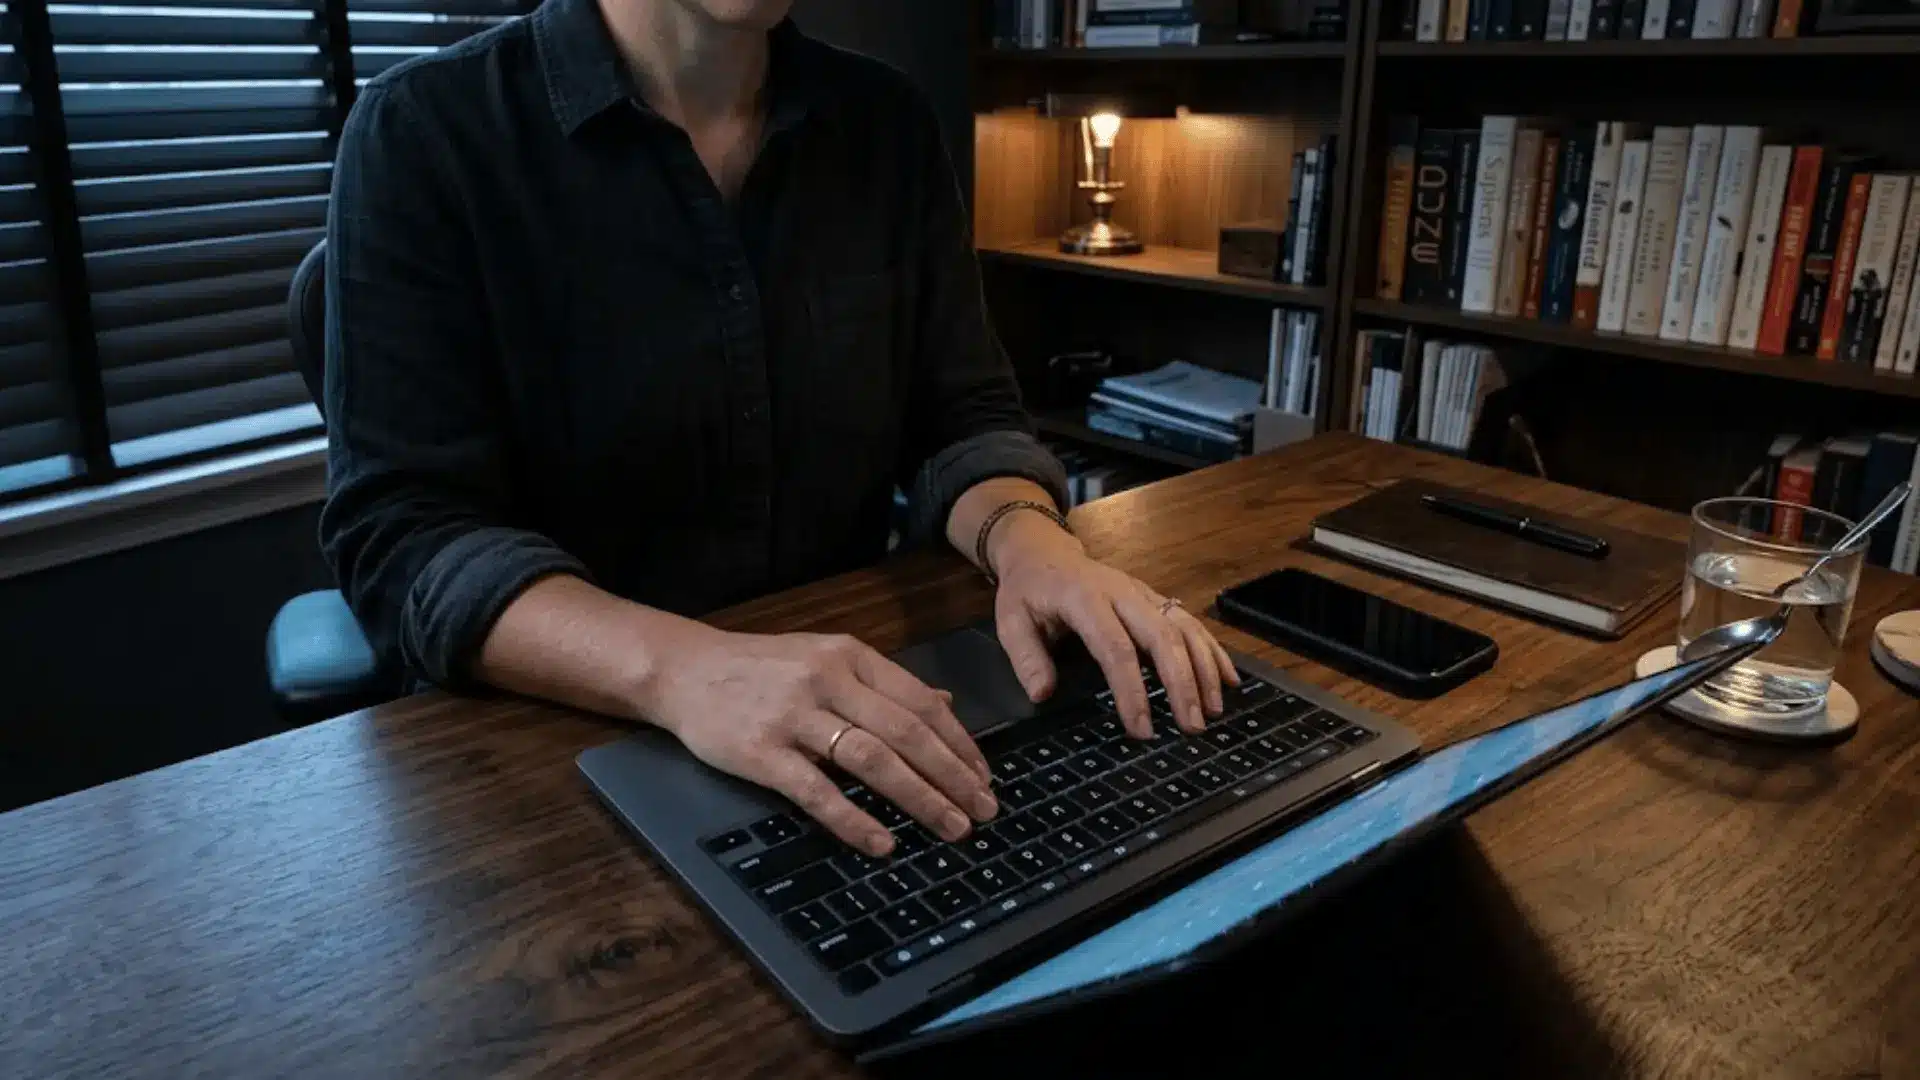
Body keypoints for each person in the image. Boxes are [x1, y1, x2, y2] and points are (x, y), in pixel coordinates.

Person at [321, 0, 1237, 859]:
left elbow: (961, 415)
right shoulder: (425, 132)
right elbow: (405, 537)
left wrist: (1032, 544)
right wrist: (685, 672)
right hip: (552, 770)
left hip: (855, 722)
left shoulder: (885, 125)